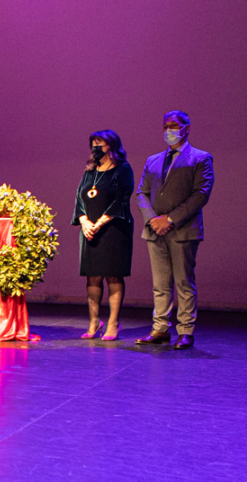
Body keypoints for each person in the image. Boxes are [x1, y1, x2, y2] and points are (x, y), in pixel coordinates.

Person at [135, 110, 214, 350]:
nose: (169, 130)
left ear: (186, 128)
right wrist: (152, 221)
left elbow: (200, 194)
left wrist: (169, 219)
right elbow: (141, 193)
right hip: (154, 231)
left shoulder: (201, 158)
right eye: (165, 126)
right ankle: (160, 329)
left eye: (174, 125)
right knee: (160, 284)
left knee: (183, 282)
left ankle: (186, 330)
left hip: (183, 230)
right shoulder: (153, 160)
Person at [71, 130, 134, 341]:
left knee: (113, 274)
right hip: (90, 229)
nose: (96, 147)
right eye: (93, 143)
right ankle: (93, 322)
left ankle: (113, 323)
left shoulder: (122, 170)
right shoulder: (89, 171)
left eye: (100, 143)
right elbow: (80, 198)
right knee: (93, 275)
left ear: (112, 146)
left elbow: (121, 199)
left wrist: (99, 223)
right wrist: (84, 220)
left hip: (114, 229)